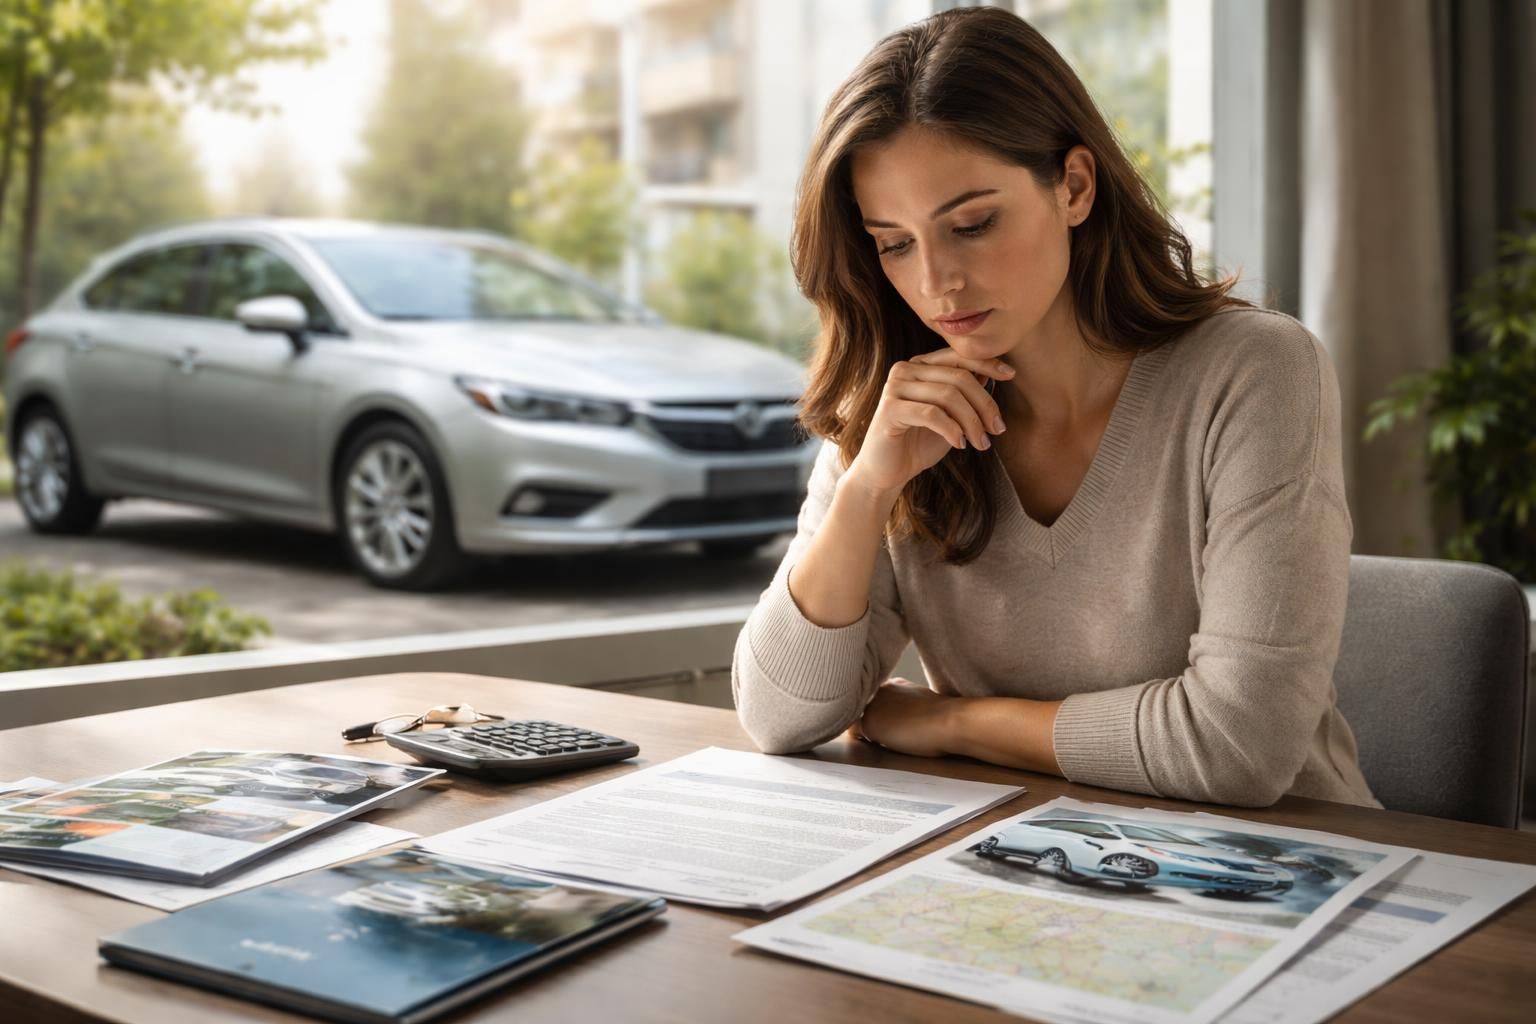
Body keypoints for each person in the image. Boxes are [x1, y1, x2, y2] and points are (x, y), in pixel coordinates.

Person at [732, 6, 1377, 809]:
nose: (936, 282)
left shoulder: (1254, 373)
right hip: (1020, 865)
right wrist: (867, 489)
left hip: (1286, 873)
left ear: (1074, 186)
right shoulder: (900, 408)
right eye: (894, 242)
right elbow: (778, 716)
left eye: (972, 224)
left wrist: (951, 724)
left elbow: (1235, 748)